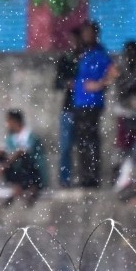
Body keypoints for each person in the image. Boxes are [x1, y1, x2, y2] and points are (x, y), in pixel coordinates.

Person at [71, 21, 118, 187]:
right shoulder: (83, 53)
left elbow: (114, 72)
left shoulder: (100, 53)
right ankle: (85, 176)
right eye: (84, 33)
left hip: (92, 102)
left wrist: (99, 84)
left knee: (90, 139)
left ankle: (92, 177)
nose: (85, 36)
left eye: (88, 33)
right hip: (79, 101)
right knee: (82, 141)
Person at [0, 109, 45, 206]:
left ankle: (29, 188)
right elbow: (1, 152)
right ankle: (17, 187)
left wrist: (1, 168)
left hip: (34, 173)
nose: (7, 124)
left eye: (8, 121)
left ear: (15, 121)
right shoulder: (11, 138)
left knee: (21, 157)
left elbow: (21, 152)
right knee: (1, 155)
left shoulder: (31, 136)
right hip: (19, 173)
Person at [53, 33, 85, 187]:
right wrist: (68, 83)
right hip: (69, 108)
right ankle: (65, 180)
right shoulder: (66, 60)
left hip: (85, 109)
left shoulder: (88, 59)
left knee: (83, 146)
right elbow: (57, 83)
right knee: (66, 147)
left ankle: (82, 178)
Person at [113, 39, 136, 154]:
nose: (132, 54)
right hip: (125, 107)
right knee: (124, 139)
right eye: (129, 51)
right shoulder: (121, 67)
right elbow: (119, 85)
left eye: (134, 51)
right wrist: (131, 87)